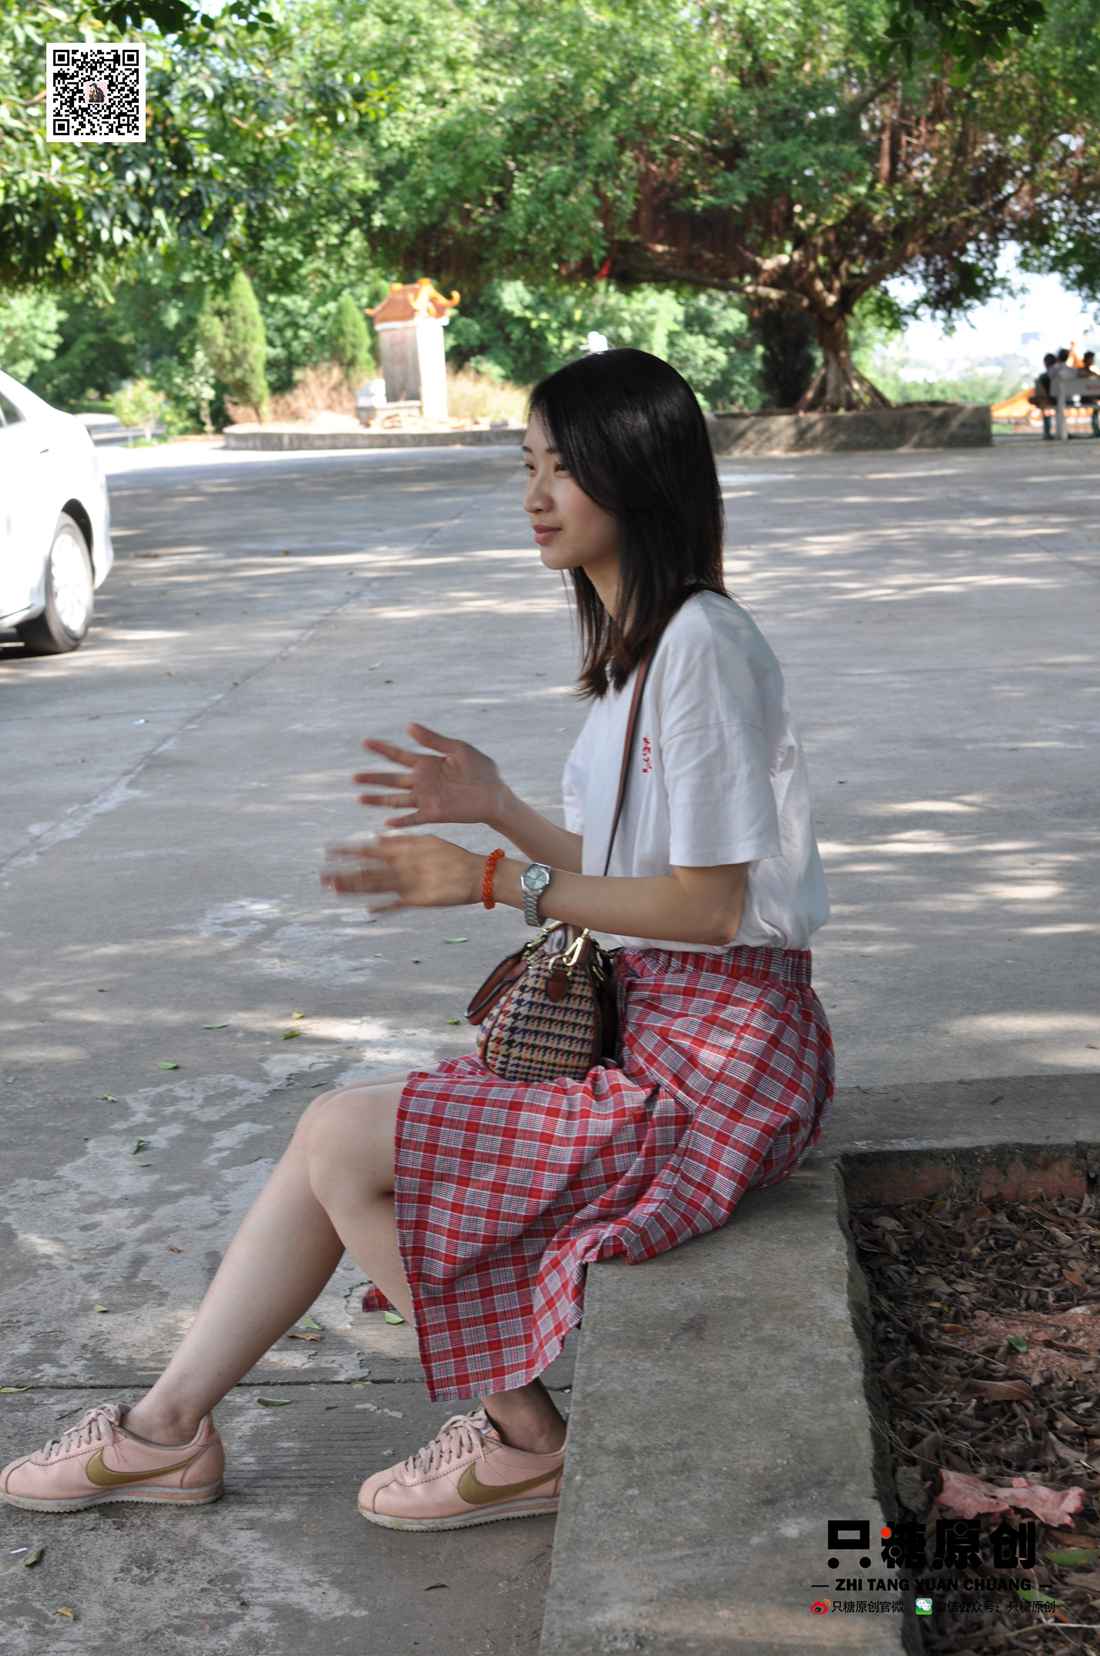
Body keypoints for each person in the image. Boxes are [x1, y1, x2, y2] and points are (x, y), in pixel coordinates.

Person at [0, 348, 835, 1532]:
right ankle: (164, 1428)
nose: (534, 494)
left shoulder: (700, 646)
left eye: (561, 468)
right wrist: (498, 808)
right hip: (675, 1030)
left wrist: (496, 880)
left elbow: (705, 909)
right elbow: (635, 873)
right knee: (333, 1139)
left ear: (638, 472)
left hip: (717, 1065)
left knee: (346, 1140)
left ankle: (525, 1440)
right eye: (526, 465)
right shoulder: (645, 654)